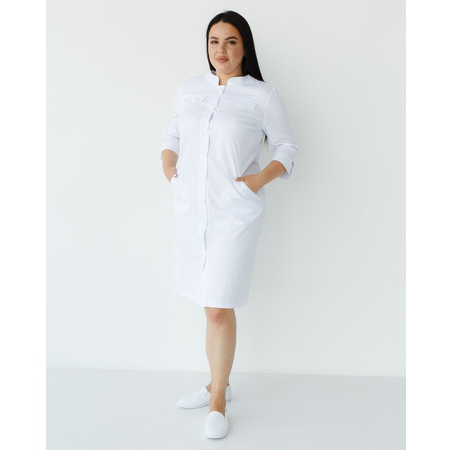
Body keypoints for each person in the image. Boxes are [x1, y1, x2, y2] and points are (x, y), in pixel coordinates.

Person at [160, 10, 299, 439]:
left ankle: (218, 399)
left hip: (235, 213)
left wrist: (258, 180)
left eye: (231, 41)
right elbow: (172, 135)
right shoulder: (190, 89)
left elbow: (286, 145)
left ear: (245, 47)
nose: (221, 50)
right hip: (192, 210)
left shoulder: (262, 95)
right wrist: (171, 171)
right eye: (214, 41)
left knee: (220, 305)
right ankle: (216, 382)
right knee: (208, 303)